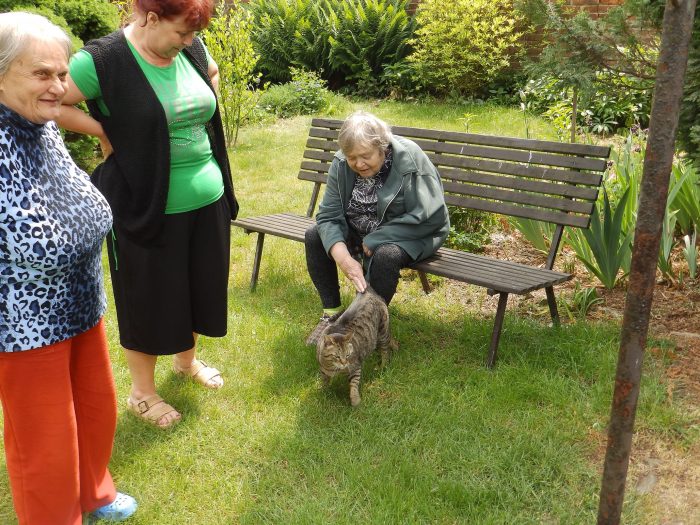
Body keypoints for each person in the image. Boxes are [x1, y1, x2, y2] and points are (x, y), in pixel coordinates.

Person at [57, 0, 239, 429]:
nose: (190, 42)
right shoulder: (103, 60)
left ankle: (186, 362)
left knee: (198, 286)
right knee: (148, 296)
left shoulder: (192, 49)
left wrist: (200, 91)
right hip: (145, 204)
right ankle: (142, 392)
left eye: (193, 34)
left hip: (207, 197)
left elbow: (211, 73)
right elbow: (55, 101)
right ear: (150, 18)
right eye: (182, 33)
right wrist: (105, 130)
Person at [0, 12, 137, 524]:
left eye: (61, 74)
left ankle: (94, 492)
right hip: (23, 321)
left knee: (96, 406)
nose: (59, 87)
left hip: (79, 299)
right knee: (45, 437)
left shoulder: (41, 124)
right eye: (42, 74)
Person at [304, 111, 450, 342]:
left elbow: (432, 217)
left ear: (382, 147)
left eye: (365, 156)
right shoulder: (341, 162)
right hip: (359, 229)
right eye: (352, 157)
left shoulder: (410, 160)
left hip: (410, 233)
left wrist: (378, 237)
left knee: (386, 255)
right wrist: (344, 259)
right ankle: (331, 314)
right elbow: (329, 216)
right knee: (314, 236)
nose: (358, 164)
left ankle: (364, 326)